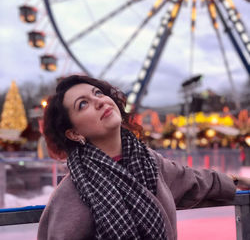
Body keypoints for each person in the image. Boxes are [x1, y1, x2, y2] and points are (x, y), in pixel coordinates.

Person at [37, 75, 250, 240]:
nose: (99, 102)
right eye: (83, 104)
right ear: (74, 133)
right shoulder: (70, 195)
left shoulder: (150, 163)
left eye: (98, 93)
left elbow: (194, 181)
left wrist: (237, 181)